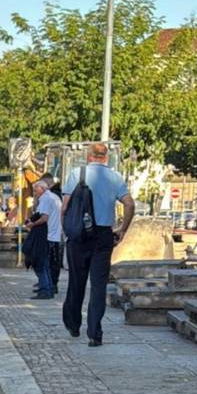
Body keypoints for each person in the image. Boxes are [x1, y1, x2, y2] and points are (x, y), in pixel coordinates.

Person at [61, 142, 135, 346]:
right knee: (98, 285)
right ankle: (94, 333)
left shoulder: (77, 174)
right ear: (107, 157)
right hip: (103, 235)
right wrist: (122, 230)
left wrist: (67, 230)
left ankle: (74, 324)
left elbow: (65, 206)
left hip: (78, 235)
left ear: (88, 156)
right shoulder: (115, 177)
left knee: (76, 281)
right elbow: (129, 203)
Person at [25, 180, 60, 299]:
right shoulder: (54, 197)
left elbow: (44, 218)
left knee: (40, 262)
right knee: (46, 263)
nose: (34, 193)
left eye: (36, 190)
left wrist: (32, 224)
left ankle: (45, 289)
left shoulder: (45, 198)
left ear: (42, 188)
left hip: (46, 234)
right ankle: (48, 287)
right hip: (54, 233)